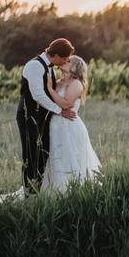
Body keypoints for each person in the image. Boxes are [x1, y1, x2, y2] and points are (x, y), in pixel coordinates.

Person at [13, 38, 78, 198]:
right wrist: (59, 111)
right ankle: (29, 195)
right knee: (31, 154)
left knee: (43, 153)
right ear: (55, 55)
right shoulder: (34, 65)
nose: (65, 62)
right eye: (63, 58)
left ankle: (38, 191)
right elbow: (38, 95)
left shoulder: (49, 68)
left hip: (42, 117)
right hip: (29, 116)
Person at [40, 55, 101, 193]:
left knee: (69, 158)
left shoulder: (76, 83)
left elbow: (66, 104)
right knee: (56, 157)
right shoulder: (59, 81)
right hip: (55, 126)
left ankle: (70, 191)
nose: (64, 61)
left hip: (70, 127)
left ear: (75, 67)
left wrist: (50, 89)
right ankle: (53, 190)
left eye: (68, 61)